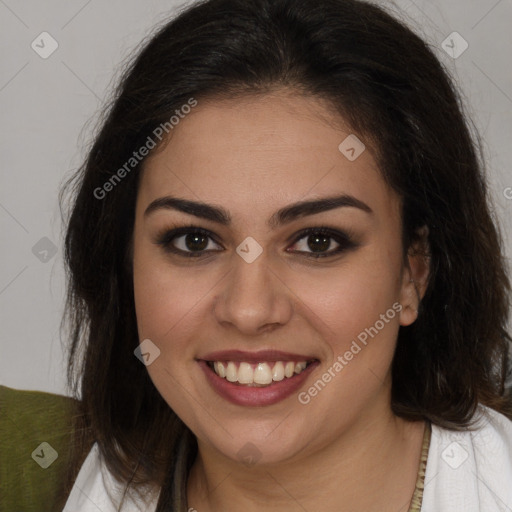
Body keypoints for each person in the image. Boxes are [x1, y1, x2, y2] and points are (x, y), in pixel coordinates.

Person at [59, 0, 512, 510]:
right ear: (126, 263)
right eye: (194, 240)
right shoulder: (75, 478)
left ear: (414, 270)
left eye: (318, 241)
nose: (249, 311)